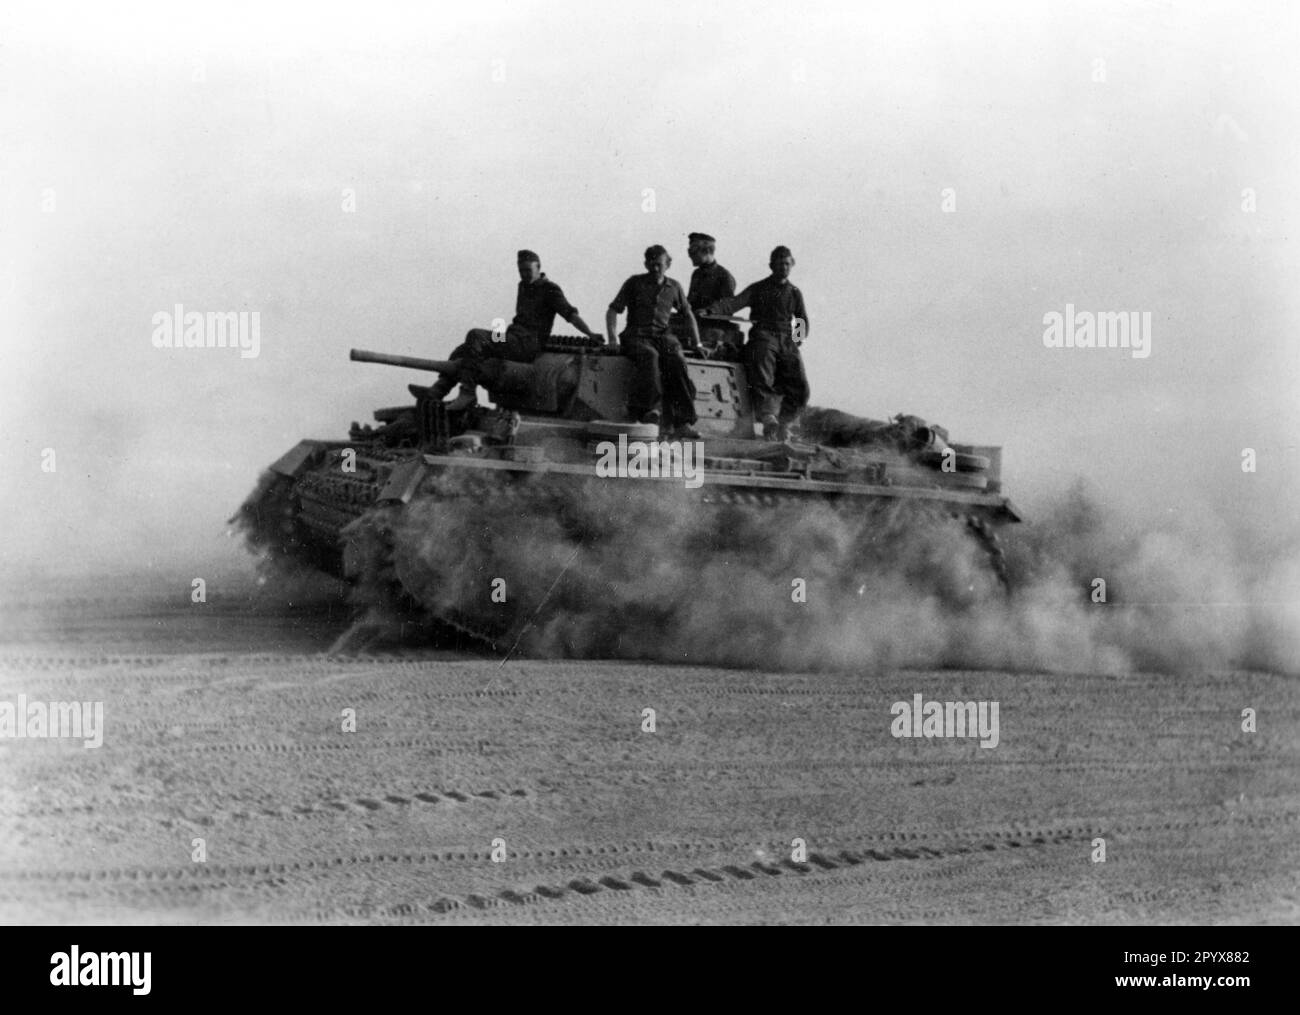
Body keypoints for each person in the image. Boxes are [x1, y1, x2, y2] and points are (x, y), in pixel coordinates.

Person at [429, 250, 603, 410]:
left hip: (526, 345)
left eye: (528, 270)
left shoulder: (550, 289)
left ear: (538, 267)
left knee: (476, 335)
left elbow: (570, 314)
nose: (524, 274)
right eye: (521, 271)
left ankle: (467, 393)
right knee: (466, 347)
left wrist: (590, 334)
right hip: (512, 339)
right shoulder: (523, 285)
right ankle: (438, 390)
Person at [707, 245, 810, 441]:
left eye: (787, 264)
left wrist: (797, 341)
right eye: (779, 264)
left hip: (787, 339)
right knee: (763, 371)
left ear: (792, 265)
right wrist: (711, 310)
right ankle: (768, 418)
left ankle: (784, 423)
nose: (783, 267)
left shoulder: (794, 292)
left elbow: (802, 320)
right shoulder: (758, 288)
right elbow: (733, 303)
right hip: (763, 336)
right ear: (771, 265)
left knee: (801, 387)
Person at [606, 245, 702, 438]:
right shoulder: (634, 283)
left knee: (677, 359)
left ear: (668, 264)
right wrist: (612, 339)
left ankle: (683, 421)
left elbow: (687, 314)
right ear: (645, 264)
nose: (655, 268)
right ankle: (648, 410)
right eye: (651, 264)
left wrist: (698, 343)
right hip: (636, 334)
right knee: (650, 357)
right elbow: (613, 310)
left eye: (659, 264)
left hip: (663, 335)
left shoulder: (674, 287)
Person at [678, 232, 742, 358]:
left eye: (693, 252)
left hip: (713, 330)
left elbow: (728, 307)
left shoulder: (724, 276)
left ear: (707, 251)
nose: (690, 256)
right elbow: (690, 302)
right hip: (694, 326)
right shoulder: (696, 274)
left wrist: (708, 311)